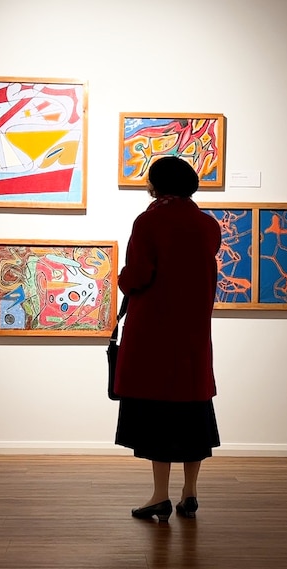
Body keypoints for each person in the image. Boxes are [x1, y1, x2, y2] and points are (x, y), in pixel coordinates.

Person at [113, 155, 222, 522]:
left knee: (158, 413)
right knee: (193, 412)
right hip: (193, 333)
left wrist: (123, 280)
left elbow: (140, 274)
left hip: (154, 334)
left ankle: (160, 495)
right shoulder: (207, 225)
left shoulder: (150, 220)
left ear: (158, 183)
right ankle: (190, 493)